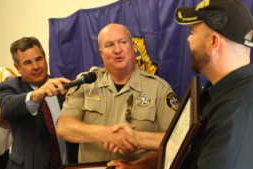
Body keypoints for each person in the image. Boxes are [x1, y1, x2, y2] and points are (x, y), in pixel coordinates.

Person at [56, 23, 179, 167]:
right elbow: (64, 128)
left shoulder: (159, 88)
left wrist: (138, 166)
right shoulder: (85, 83)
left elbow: (176, 141)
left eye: (123, 42)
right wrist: (108, 134)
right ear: (101, 53)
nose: (117, 50)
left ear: (132, 46)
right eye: (109, 45)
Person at [174, 0, 253, 169]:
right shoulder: (223, 94)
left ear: (213, 42)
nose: (188, 39)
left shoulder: (241, 113)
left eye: (192, 32)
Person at [0, 37, 78, 169]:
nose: (36, 67)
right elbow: (7, 109)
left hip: (67, 165)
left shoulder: (63, 86)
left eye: (39, 59)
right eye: (28, 62)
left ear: (45, 58)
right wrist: (38, 94)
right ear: (18, 67)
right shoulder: (9, 87)